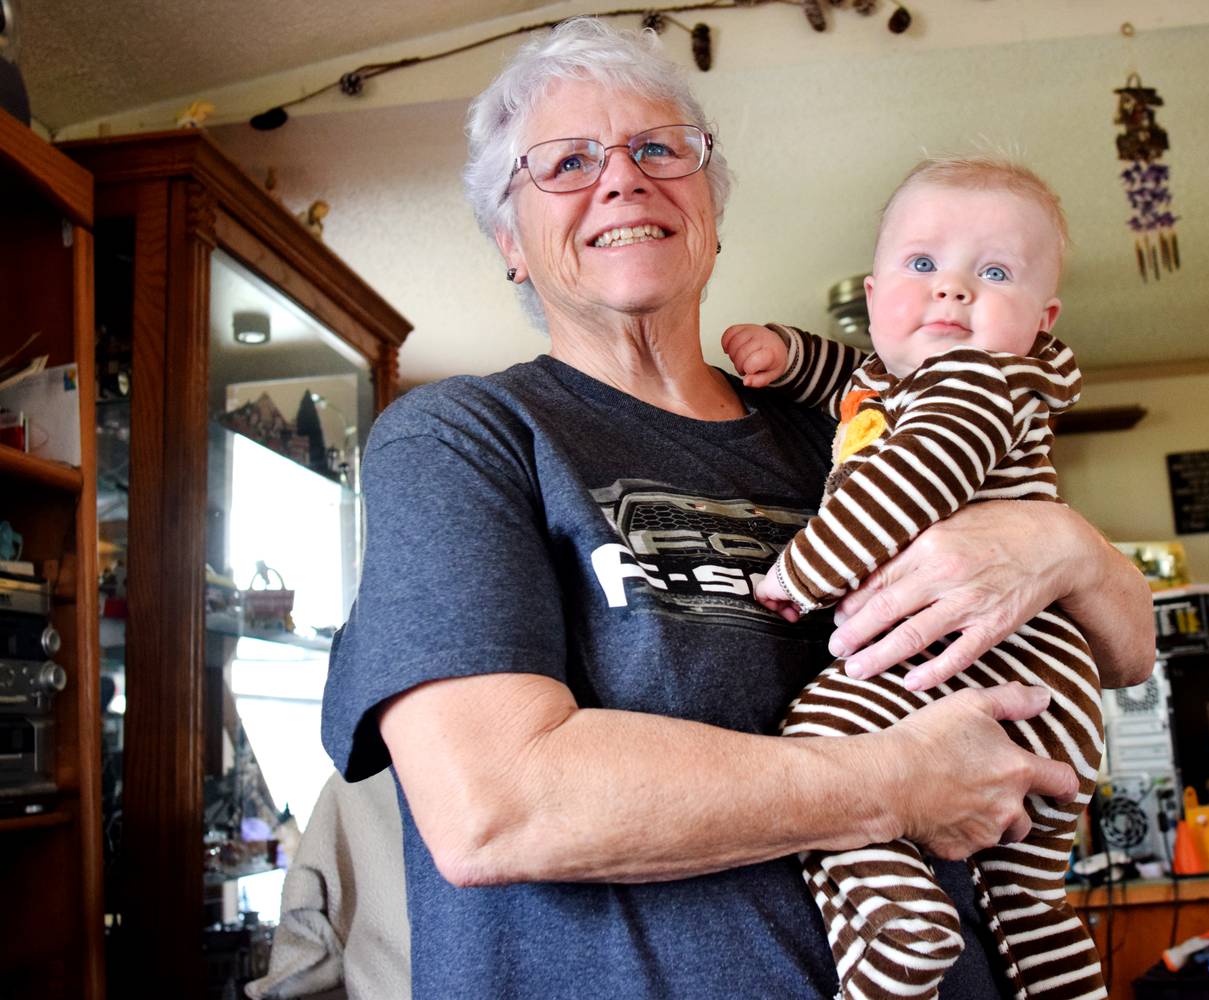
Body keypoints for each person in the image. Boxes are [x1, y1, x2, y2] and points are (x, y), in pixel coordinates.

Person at [320, 18, 1154, 1000]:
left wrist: (1066, 546)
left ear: (710, 211)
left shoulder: (839, 427)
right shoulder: (461, 436)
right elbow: (496, 805)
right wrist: (896, 782)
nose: (623, 178)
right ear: (511, 241)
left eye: (659, 149)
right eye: (568, 162)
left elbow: (1128, 650)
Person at [722, 157, 1106, 1000]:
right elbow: (859, 385)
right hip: (1049, 694)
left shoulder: (977, 384)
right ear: (872, 289)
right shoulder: (902, 379)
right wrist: (794, 358)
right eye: (922, 265)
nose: (953, 292)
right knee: (1031, 902)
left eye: (993, 272)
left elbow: (912, 480)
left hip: (984, 662)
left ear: (1042, 320)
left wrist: (803, 573)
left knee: (822, 760)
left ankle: (898, 926)